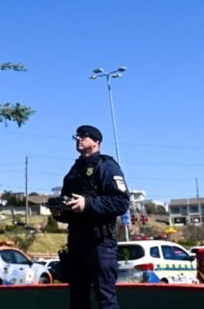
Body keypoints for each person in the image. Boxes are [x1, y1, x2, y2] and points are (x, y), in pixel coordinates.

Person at [52, 124, 130, 309]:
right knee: (78, 298)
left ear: (96, 142)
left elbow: (121, 202)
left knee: (105, 299)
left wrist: (88, 204)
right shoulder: (74, 171)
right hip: (77, 242)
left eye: (84, 136)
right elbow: (69, 206)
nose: (79, 139)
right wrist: (60, 212)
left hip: (100, 244)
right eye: (77, 136)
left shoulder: (106, 166)